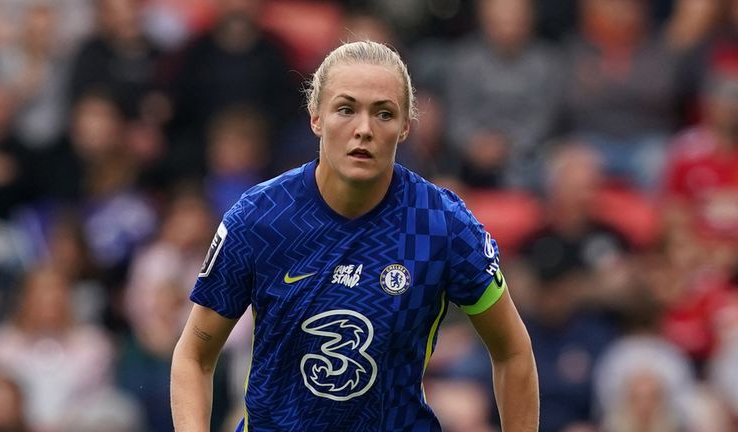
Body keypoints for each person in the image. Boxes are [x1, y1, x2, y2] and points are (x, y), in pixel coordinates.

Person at [170, 40, 539, 431]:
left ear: (405, 127)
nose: (364, 129)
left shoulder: (442, 225)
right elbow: (194, 356)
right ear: (316, 117)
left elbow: (513, 353)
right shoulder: (260, 218)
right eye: (346, 109)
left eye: (384, 113)